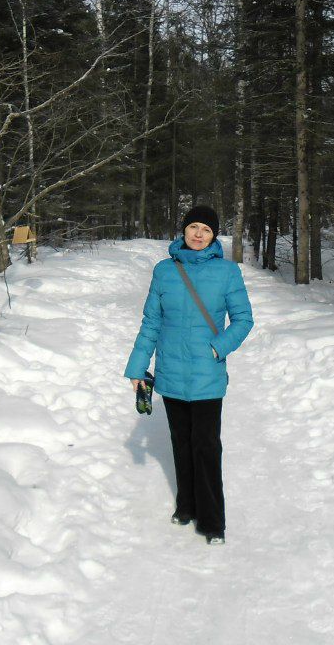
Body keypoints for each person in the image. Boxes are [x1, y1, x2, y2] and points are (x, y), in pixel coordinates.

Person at [123, 205, 254, 545]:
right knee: (181, 443)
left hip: (207, 375)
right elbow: (151, 321)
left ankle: (212, 522)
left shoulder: (227, 273)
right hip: (171, 372)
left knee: (206, 447)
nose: (198, 234)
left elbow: (243, 320)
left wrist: (217, 348)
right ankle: (186, 506)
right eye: (193, 227)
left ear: (214, 236)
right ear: (183, 231)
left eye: (206, 230)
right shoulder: (164, 271)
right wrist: (138, 367)